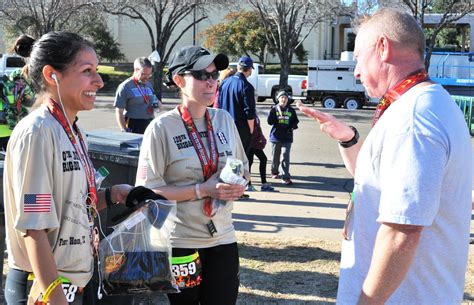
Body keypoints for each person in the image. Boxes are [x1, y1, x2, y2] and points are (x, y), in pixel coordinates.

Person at [298, 8, 471, 304]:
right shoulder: (423, 105)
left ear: (382, 48)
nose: (355, 71)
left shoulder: (414, 121)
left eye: (357, 57)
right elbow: (381, 182)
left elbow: (402, 230)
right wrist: (349, 138)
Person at [3, 31, 133, 305]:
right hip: (48, 287)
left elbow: (70, 206)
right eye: (87, 71)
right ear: (53, 75)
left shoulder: (74, 131)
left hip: (76, 280)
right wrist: (56, 298)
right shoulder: (37, 132)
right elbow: (34, 227)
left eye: (96, 71)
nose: (99, 81)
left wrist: (111, 196)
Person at [136, 45, 248, 305]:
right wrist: (202, 190)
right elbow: (146, 193)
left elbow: (243, 168)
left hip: (223, 237)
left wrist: (237, 185)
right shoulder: (161, 128)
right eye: (201, 75)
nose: (210, 82)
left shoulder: (224, 119)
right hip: (182, 242)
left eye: (214, 75)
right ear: (178, 80)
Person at [217, 56, 256, 157]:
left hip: (225, 125)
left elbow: (219, 104)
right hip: (240, 128)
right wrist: (251, 129)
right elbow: (249, 111)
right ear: (250, 69)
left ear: (238, 67)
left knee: (226, 156)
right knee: (239, 159)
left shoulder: (224, 82)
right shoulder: (247, 86)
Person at [114, 57, 161, 134]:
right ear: (136, 70)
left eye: (149, 75)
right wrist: (123, 129)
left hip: (150, 123)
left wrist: (157, 104)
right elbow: (119, 111)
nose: (147, 77)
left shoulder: (148, 84)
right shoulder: (125, 87)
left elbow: (153, 100)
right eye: (144, 74)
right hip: (133, 124)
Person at [267, 89, 299, 185]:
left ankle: (285, 176)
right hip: (276, 137)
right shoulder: (274, 109)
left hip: (287, 137)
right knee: (275, 157)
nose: (284, 99)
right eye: (282, 97)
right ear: (278, 99)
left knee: (285, 156)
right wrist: (272, 113)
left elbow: (295, 122)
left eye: (285, 97)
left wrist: (292, 128)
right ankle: (274, 171)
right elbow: (269, 122)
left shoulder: (291, 110)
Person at [0, 67, 35, 151]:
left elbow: (31, 100)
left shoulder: (23, 92)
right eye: (17, 80)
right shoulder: (4, 87)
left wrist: (25, 89)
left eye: (23, 81)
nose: (20, 83)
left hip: (12, 133)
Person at [246, 116, 275, 192]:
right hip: (250, 141)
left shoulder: (254, 113)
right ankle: (248, 184)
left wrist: (261, 136)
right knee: (249, 162)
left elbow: (257, 127)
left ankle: (264, 184)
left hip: (255, 141)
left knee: (263, 159)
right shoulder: (248, 113)